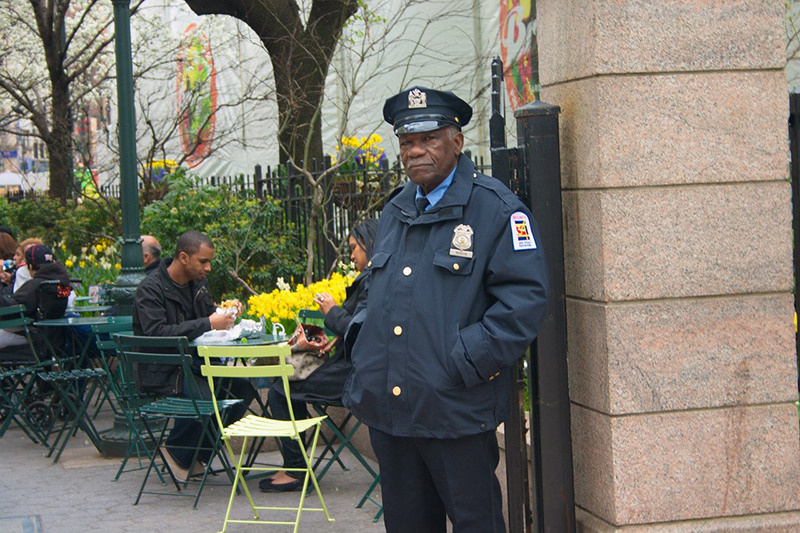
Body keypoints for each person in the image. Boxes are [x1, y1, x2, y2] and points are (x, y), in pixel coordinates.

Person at [342, 87, 550, 533]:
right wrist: (363, 344)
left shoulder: (496, 209)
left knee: (477, 523)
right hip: (391, 410)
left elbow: (524, 301)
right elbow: (377, 290)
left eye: (429, 139)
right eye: (407, 142)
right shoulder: (396, 209)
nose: (415, 151)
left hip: (455, 408)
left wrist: (463, 362)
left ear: (457, 142)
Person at [259, 218, 378, 493]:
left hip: (355, 375)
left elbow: (363, 331)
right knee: (283, 386)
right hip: (353, 367)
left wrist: (332, 311)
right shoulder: (374, 278)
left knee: (280, 390)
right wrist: (336, 337)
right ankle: (296, 464)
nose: (351, 256)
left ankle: (295, 468)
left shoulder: (373, 281)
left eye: (353, 248)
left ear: (369, 243)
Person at [132, 230, 256, 481]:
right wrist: (209, 323)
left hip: (198, 364)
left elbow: (206, 318)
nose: (208, 268)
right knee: (205, 398)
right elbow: (156, 333)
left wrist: (225, 314)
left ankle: (196, 454)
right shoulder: (150, 289)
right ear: (183, 257)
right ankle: (177, 453)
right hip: (164, 369)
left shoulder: (198, 284)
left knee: (243, 390)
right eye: (203, 261)